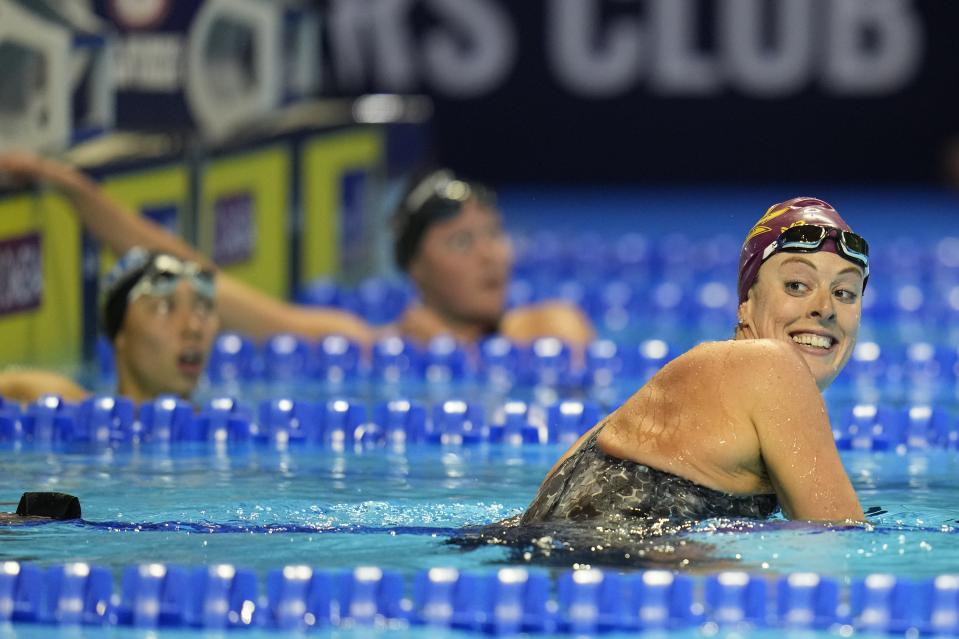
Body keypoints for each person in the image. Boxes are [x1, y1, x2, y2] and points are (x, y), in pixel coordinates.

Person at [450, 197, 869, 567]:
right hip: (612, 575)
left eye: (845, 293)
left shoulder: (665, 397)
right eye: (797, 285)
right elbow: (840, 545)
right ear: (746, 303)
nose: (824, 309)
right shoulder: (772, 366)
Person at [0, 152, 376, 346]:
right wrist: (70, 186)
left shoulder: (354, 339)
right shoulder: (350, 335)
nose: (192, 331)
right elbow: (192, 274)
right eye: (165, 310)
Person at [391, 168, 595, 347]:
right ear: (415, 266)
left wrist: (445, 344)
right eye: (461, 242)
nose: (488, 255)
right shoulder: (380, 345)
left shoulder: (551, 329)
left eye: (494, 233)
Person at [0, 248, 220, 404]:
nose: (193, 327)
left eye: (202, 308)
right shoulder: (67, 411)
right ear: (120, 331)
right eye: (165, 308)